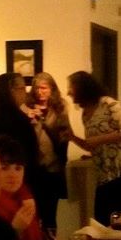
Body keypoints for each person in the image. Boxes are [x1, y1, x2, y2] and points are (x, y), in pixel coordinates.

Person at [67, 71, 121, 226]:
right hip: (105, 174)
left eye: (71, 87)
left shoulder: (108, 103)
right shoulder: (85, 114)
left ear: (82, 87)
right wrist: (72, 137)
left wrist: (97, 140)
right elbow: (91, 146)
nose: (68, 92)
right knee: (101, 221)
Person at [22, 72, 71, 230]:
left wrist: (44, 123)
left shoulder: (59, 108)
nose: (40, 92)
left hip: (53, 167)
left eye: (44, 88)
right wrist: (28, 119)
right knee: (33, 213)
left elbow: (65, 136)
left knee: (50, 215)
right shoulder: (26, 107)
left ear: (51, 89)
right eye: (37, 88)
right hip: (33, 167)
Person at [0, 73, 40, 201]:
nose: (25, 93)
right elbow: (27, 152)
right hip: (18, 181)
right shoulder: (16, 119)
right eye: (22, 88)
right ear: (10, 91)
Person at [0, 134, 44, 240]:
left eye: (18, 168)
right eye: (4, 168)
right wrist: (15, 230)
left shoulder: (24, 199)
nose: (13, 175)